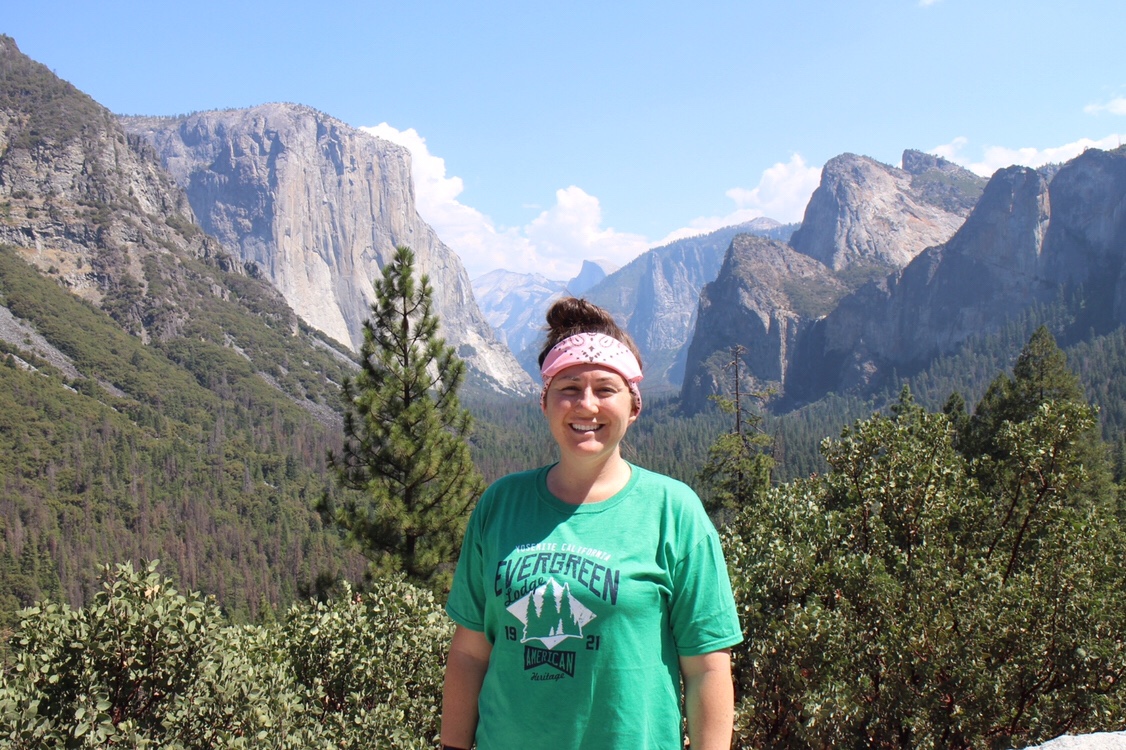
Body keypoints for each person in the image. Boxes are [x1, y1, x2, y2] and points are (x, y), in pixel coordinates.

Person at [440, 297, 743, 749]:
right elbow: (468, 653)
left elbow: (708, 668)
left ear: (634, 406)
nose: (586, 405)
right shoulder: (500, 504)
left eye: (605, 389)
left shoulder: (674, 512)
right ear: (545, 402)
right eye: (569, 388)